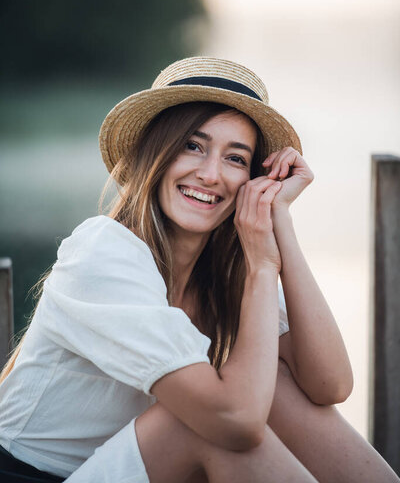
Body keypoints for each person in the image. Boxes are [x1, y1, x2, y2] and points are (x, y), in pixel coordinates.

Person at [0, 56, 398, 483]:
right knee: (210, 425)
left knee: (274, 388)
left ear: (252, 178)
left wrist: (278, 219)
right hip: (34, 476)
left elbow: (330, 385)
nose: (211, 175)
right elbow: (237, 423)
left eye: (236, 158)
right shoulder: (103, 251)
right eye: (193, 145)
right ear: (154, 153)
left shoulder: (227, 271)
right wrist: (264, 267)